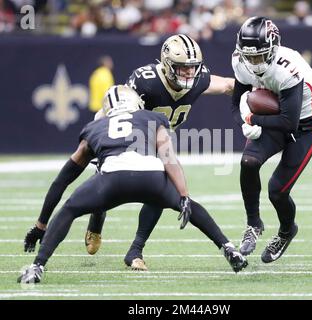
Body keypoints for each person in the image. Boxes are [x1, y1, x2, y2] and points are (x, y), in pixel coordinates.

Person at [23, 34, 235, 271]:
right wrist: (100, 137)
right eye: (181, 68)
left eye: (192, 68)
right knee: (111, 174)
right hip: (133, 135)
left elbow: (228, 84)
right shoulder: (146, 81)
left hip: (159, 138)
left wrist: (256, 89)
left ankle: (135, 250)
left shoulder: (199, 78)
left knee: (161, 187)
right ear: (167, 65)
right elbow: (118, 108)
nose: (188, 73)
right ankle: (97, 216)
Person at [18, 86, 247, 284]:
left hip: (111, 181)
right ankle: (229, 249)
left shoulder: (94, 127)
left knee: (69, 209)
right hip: (152, 179)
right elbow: (168, 158)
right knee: (191, 206)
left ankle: (38, 265)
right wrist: (183, 195)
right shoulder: (152, 118)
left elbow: (63, 179)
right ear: (136, 102)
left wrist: (40, 225)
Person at [231, 16, 312, 263]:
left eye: (260, 56)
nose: (254, 63)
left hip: (305, 125)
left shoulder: (287, 67)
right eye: (249, 57)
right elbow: (234, 104)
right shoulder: (240, 61)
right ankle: (253, 224)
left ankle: (286, 231)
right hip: (274, 118)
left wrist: (253, 120)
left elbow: (288, 123)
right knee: (248, 162)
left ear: (273, 47)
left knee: (277, 190)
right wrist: (243, 119)